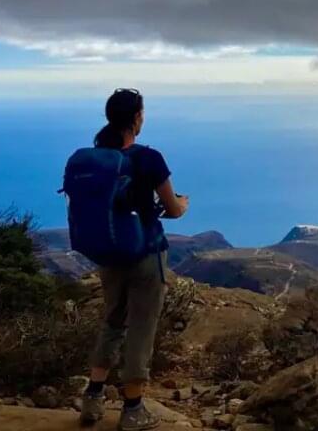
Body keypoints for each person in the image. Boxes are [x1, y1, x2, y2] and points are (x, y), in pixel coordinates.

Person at [79, 88, 189, 431]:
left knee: (112, 320)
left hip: (109, 254)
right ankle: (133, 409)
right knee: (141, 327)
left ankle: (92, 399)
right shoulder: (148, 158)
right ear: (136, 118)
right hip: (145, 254)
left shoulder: (98, 158)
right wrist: (182, 205)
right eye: (142, 113)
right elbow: (171, 208)